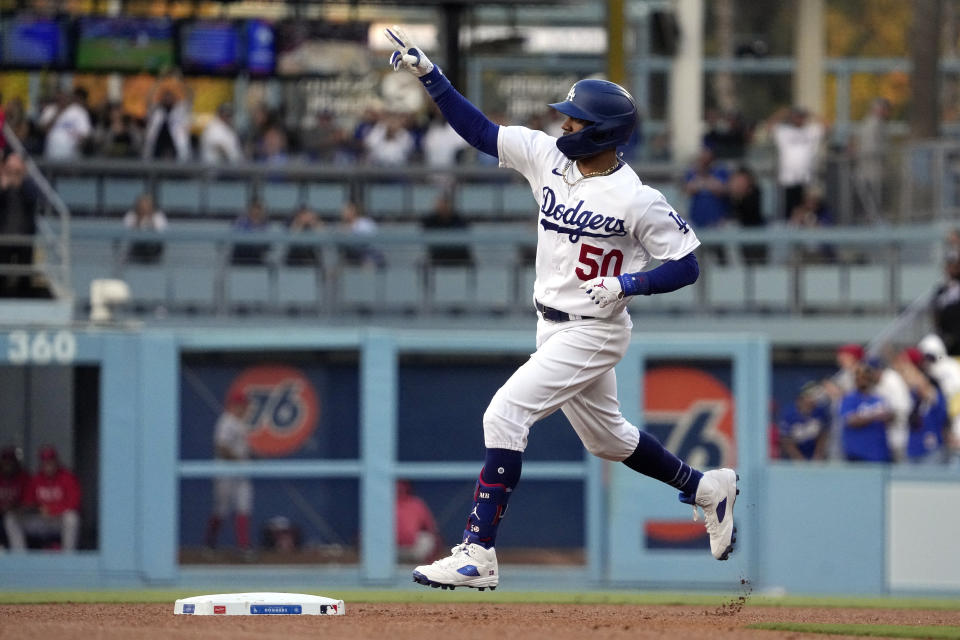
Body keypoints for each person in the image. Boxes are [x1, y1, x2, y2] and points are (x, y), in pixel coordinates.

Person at [384, 25, 737, 591]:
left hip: (596, 328)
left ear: (603, 132)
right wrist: (433, 77)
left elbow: (688, 264)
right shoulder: (547, 156)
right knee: (608, 440)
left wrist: (630, 285)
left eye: (574, 119)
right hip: (551, 323)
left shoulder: (637, 198)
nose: (563, 123)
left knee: (504, 414)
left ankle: (478, 552)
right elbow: (481, 132)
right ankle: (706, 488)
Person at [203, 390, 253, 555]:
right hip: (225, 471)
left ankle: (243, 547)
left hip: (241, 473)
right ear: (233, 405)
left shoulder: (242, 423)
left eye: (245, 405)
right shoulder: (226, 421)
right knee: (221, 510)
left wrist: (252, 457)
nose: (244, 408)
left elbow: (243, 449)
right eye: (241, 405)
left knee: (243, 507)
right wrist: (238, 459)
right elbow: (221, 447)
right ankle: (209, 544)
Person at [4, 445, 81, 551]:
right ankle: (19, 556)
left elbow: (74, 503)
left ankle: (68, 555)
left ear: (56, 462)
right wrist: (27, 509)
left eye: (50, 461)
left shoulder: (67, 477)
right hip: (40, 521)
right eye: (45, 462)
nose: (48, 465)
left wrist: (53, 509)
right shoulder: (36, 479)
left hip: (58, 522)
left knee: (72, 518)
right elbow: (28, 502)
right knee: (11, 519)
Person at [767, 106, 827, 220]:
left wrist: (811, 113)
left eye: (801, 116)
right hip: (788, 178)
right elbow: (769, 126)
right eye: (796, 116)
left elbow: (827, 126)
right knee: (789, 210)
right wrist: (783, 112)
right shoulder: (784, 131)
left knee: (808, 210)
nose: (798, 119)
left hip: (807, 178)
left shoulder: (811, 130)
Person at [896, 348, 949, 464]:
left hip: (932, 448)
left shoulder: (932, 389)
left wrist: (912, 371)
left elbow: (925, 390)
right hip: (912, 448)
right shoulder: (909, 393)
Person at [0, 153, 39, 297]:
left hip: (24, 235)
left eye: (16, 169)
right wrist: (3, 188)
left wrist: (21, 182)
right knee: (2, 274)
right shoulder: (3, 184)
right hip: (4, 236)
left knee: (25, 275)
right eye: (10, 168)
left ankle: (25, 297)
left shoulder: (29, 183)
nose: (13, 173)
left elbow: (33, 197)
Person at [839, 361, 893, 463]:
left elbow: (890, 418)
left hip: (879, 453)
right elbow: (851, 421)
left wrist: (890, 416)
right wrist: (875, 416)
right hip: (857, 454)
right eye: (859, 376)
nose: (863, 379)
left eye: (866, 376)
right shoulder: (849, 398)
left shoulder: (879, 398)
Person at [851, 97, 891, 222]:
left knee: (874, 204)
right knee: (871, 204)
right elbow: (870, 148)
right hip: (869, 172)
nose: (887, 112)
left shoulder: (879, 124)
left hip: (874, 172)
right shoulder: (872, 124)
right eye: (885, 109)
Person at [143, 72, 193, 162]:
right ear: (161, 98)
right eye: (165, 96)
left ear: (175, 98)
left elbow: (190, 97)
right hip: (157, 148)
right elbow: (148, 99)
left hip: (176, 147)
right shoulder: (156, 109)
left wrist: (182, 82)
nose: (167, 98)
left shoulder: (180, 109)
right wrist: (158, 81)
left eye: (170, 96)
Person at [778, 382, 832, 461]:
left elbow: (823, 434)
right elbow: (786, 440)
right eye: (810, 396)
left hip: (814, 458)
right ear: (802, 397)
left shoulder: (820, 411)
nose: (814, 399)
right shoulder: (789, 413)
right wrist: (798, 459)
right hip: (792, 460)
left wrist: (818, 454)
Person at [683, 145, 729, 230]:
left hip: (717, 221)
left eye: (707, 153)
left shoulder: (720, 170)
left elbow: (722, 189)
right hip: (696, 220)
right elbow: (688, 190)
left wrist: (703, 183)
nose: (704, 157)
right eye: (703, 153)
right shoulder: (692, 172)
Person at [396, 480, 442, 564]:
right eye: (397, 486)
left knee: (427, 538)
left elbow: (431, 529)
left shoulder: (416, 503)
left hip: (414, 549)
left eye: (402, 486)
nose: (400, 489)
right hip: (393, 550)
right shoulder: (386, 504)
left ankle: (424, 565)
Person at [727, 166, 766, 264]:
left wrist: (738, 195)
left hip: (757, 232)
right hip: (739, 234)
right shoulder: (730, 195)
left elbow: (750, 211)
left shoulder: (755, 192)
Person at [41, 88, 92, 160]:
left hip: (72, 156)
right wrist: (57, 113)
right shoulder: (50, 110)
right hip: (51, 154)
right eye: (59, 98)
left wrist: (79, 139)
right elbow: (44, 130)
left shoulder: (79, 111)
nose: (62, 100)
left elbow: (86, 133)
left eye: (64, 97)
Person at [421, 194, 471, 266]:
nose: (444, 207)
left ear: (451, 206)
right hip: (437, 254)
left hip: (458, 253)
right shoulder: (429, 220)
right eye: (441, 204)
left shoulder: (460, 219)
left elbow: (463, 239)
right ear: (436, 205)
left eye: (446, 204)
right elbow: (427, 238)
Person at [122, 193, 168, 264]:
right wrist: (138, 220)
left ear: (151, 205)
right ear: (138, 205)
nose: (144, 207)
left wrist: (151, 219)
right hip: (136, 245)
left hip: (154, 245)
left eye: (147, 205)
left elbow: (161, 233)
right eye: (142, 204)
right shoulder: (131, 215)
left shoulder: (158, 216)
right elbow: (127, 233)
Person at [932, 247, 960, 356]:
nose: (952, 269)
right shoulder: (942, 291)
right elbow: (936, 312)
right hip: (947, 341)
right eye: (950, 265)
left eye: (956, 265)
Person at [338, 201, 383, 267]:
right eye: (343, 211)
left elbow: (368, 241)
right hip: (352, 254)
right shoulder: (343, 226)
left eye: (346, 211)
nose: (343, 213)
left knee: (368, 262)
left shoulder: (365, 223)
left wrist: (349, 232)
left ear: (353, 211)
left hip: (369, 252)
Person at [0, 446, 29, 548]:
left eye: (10, 461)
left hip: (18, 515)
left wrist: (13, 507)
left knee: (10, 518)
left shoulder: (24, 478)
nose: (8, 464)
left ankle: (19, 555)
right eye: (5, 461)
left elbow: (28, 502)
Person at [230, 199, 271, 265]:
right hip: (241, 254)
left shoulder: (266, 225)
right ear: (249, 211)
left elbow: (267, 244)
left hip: (257, 256)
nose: (256, 212)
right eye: (254, 209)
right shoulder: (241, 222)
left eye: (259, 210)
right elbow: (236, 237)